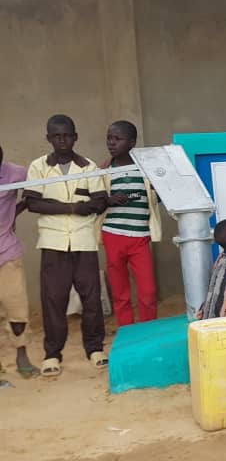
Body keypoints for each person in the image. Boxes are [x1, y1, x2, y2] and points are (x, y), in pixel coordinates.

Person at [23, 115, 108, 377]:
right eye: (57, 136)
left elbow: (100, 202)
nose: (62, 140)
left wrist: (79, 206)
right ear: (48, 138)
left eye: (67, 135)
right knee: (53, 301)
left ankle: (94, 348)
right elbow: (33, 203)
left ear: (75, 137)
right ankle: (52, 354)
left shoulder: (88, 166)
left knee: (91, 299)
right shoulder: (38, 167)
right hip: (53, 243)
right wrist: (73, 207)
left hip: (83, 242)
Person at [100, 120, 161, 327]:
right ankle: (126, 330)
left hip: (139, 237)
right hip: (113, 234)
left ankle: (148, 329)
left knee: (148, 291)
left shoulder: (145, 169)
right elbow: (96, 200)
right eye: (109, 138)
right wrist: (108, 200)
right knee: (120, 291)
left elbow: (157, 196)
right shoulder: (105, 169)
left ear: (132, 142)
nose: (111, 143)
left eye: (117, 139)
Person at [0, 143, 37, 379]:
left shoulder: (15, 173)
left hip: (7, 252)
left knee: (17, 309)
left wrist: (17, 209)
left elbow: (35, 189)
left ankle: (22, 355)